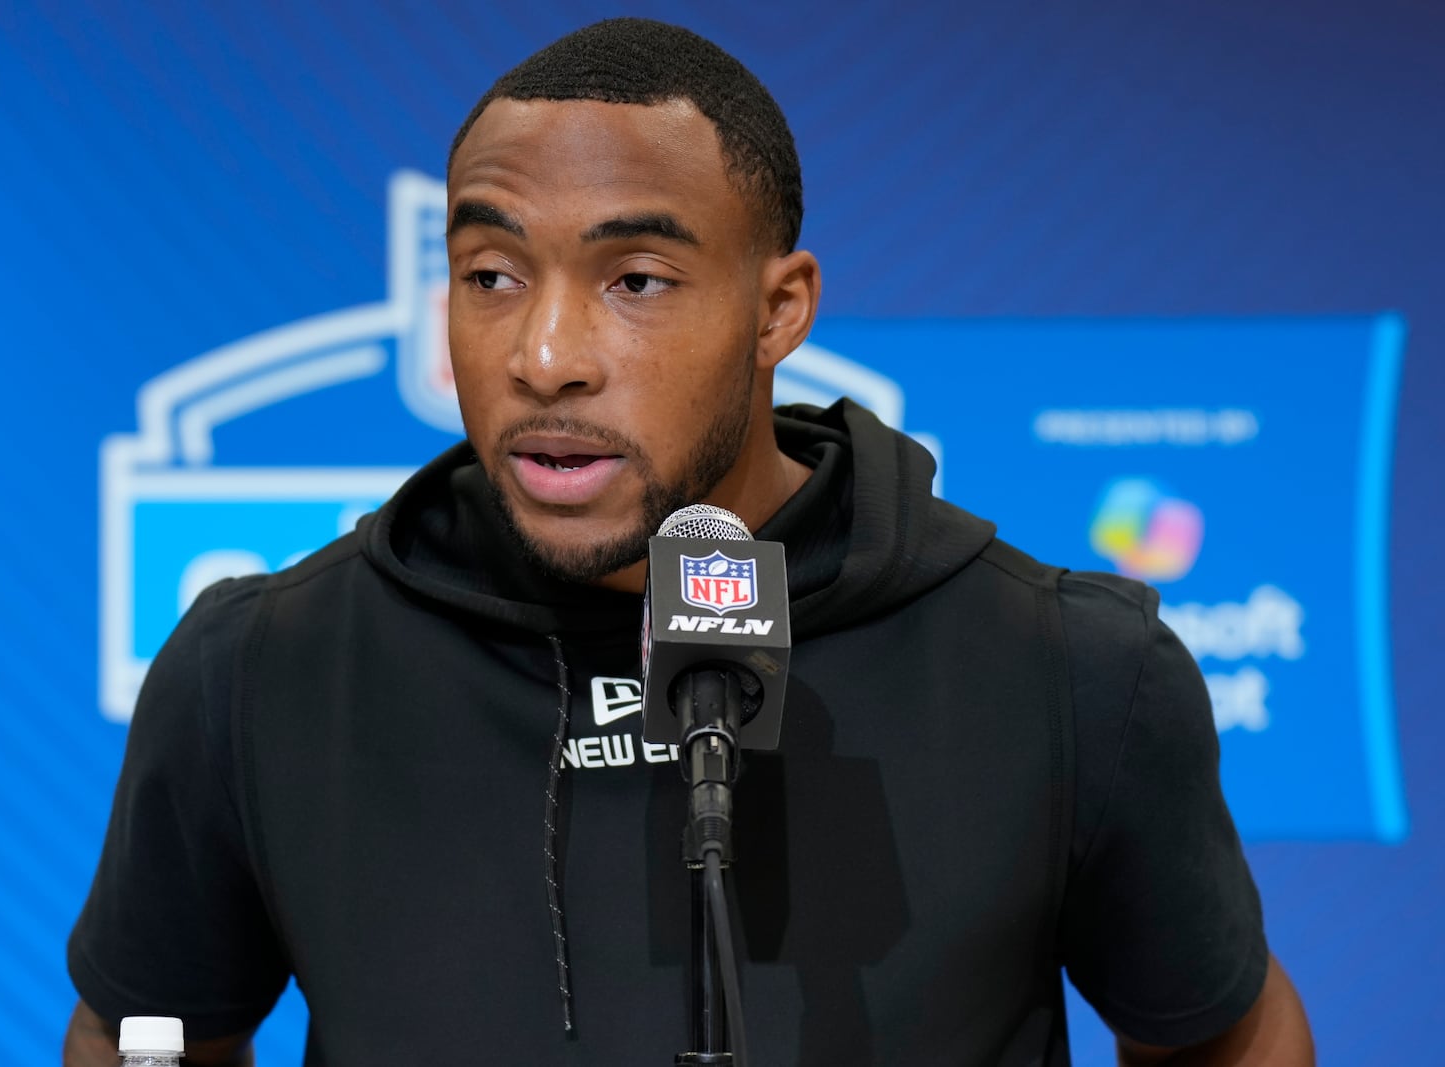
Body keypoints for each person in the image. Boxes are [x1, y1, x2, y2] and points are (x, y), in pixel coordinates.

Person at [64, 18, 1314, 1066]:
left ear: (779, 310)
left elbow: (1224, 1035)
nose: (544, 357)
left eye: (636, 281)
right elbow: (145, 1032)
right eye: (490, 274)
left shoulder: (1064, 668)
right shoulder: (263, 667)